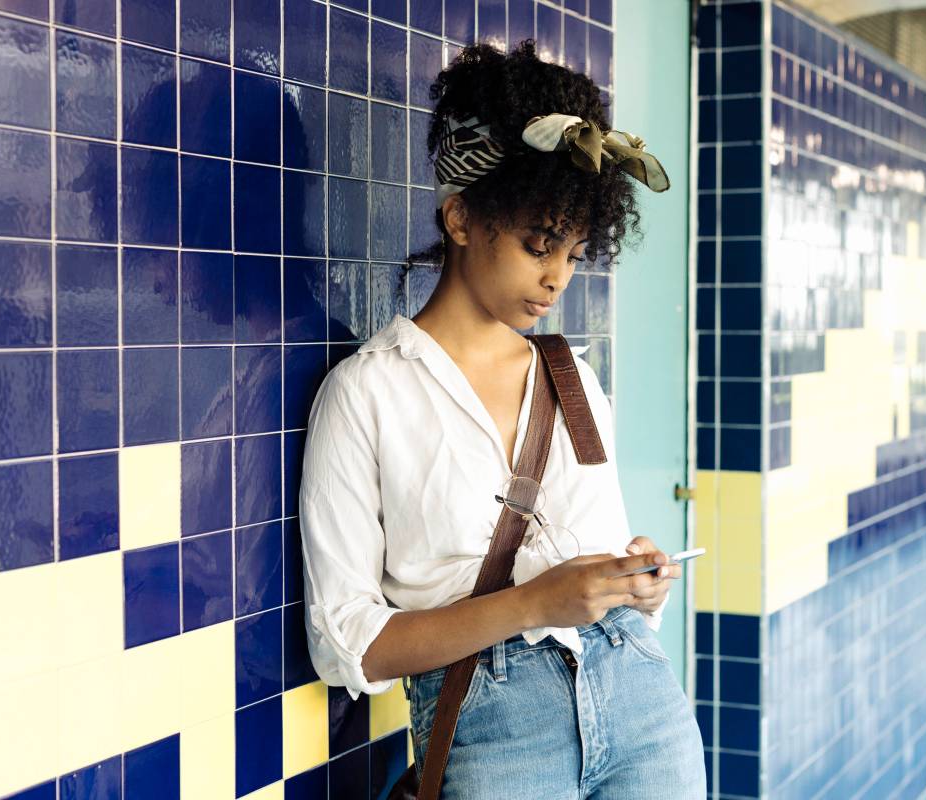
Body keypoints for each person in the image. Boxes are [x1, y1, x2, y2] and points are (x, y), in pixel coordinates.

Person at [298, 40, 705, 798]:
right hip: (494, 726)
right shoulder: (367, 395)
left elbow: (599, 563)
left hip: (643, 705)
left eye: (576, 251)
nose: (558, 277)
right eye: (538, 245)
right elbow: (351, 645)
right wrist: (533, 604)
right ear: (460, 218)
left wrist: (637, 584)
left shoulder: (573, 378)